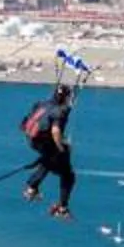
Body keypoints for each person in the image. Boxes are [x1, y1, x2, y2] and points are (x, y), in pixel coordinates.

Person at [21, 82, 77, 218]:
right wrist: (60, 147)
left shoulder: (42, 104)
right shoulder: (60, 111)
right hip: (45, 142)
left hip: (32, 140)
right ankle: (62, 207)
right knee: (68, 174)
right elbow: (56, 131)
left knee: (49, 160)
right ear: (66, 97)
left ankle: (32, 187)